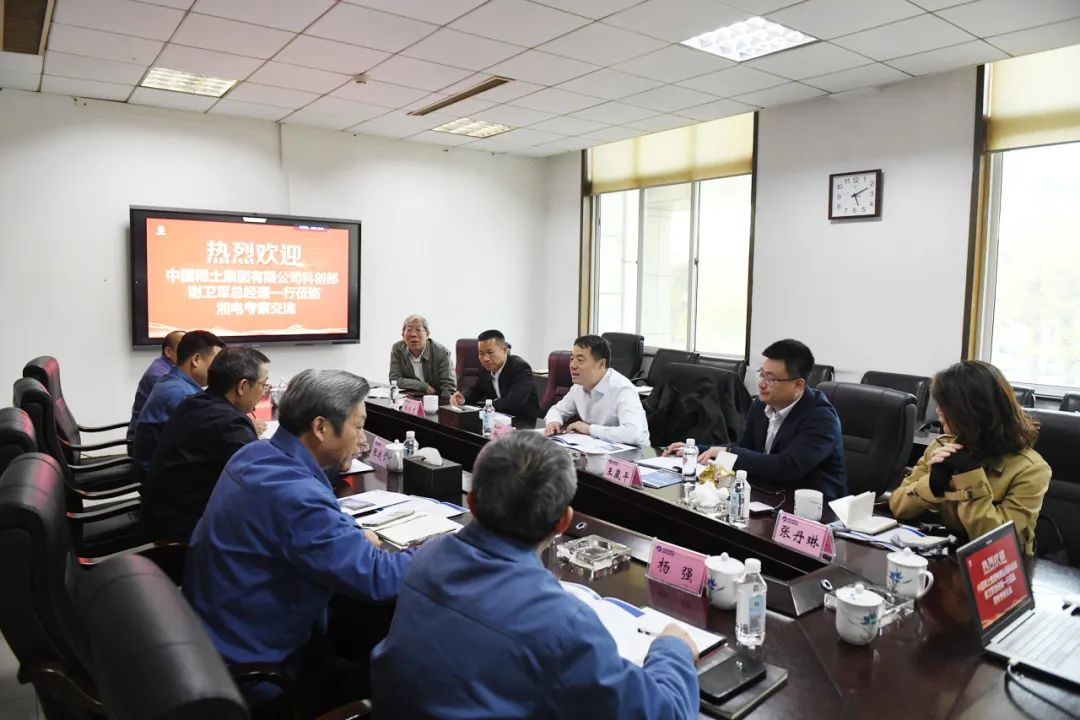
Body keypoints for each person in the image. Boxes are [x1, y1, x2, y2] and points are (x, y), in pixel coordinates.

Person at [371, 431, 699, 719]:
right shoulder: (561, 623)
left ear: (471, 503)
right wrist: (674, 649)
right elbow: (665, 713)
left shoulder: (428, 556)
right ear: (563, 522)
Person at [183, 369, 413, 718]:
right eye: (358, 426)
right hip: (263, 672)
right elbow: (379, 578)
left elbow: (304, 525)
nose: (363, 440)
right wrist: (445, 549)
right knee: (400, 671)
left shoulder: (255, 455)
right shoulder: (297, 494)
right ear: (321, 428)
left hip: (219, 638)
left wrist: (349, 532)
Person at [889, 361, 1050, 555]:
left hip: (998, 565)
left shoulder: (1031, 469)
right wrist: (931, 485)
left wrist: (970, 480)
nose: (938, 411)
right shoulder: (942, 446)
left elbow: (997, 542)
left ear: (972, 412)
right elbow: (897, 506)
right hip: (945, 553)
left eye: (946, 406)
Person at [663, 339, 847, 500]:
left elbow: (787, 467)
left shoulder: (821, 419)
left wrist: (726, 452)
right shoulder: (760, 405)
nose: (761, 383)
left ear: (798, 385)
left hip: (815, 510)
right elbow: (745, 447)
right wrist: (696, 450)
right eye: (762, 373)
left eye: (771, 379)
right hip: (768, 494)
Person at [140, 347, 270, 542]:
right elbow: (259, 485)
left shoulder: (195, 402)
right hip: (185, 534)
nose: (264, 391)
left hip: (161, 516)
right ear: (242, 386)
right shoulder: (230, 424)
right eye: (264, 384)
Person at [131, 330, 225, 473]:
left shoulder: (175, 380)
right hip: (161, 475)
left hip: (160, 465)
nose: (218, 370)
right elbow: (211, 438)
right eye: (215, 363)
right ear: (196, 359)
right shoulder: (181, 393)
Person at [543, 335, 650, 447]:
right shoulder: (579, 386)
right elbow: (558, 410)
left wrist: (589, 429)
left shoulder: (622, 389)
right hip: (597, 448)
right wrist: (553, 422)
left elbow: (634, 434)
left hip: (633, 453)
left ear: (601, 364)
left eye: (580, 360)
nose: (572, 365)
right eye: (571, 359)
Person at [449, 329, 540, 421]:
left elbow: (514, 401)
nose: (485, 359)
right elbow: (476, 390)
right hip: (496, 419)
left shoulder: (520, 368)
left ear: (504, 350)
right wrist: (463, 397)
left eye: (490, 352)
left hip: (522, 422)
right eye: (481, 353)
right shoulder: (486, 369)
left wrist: (488, 405)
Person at [126, 330, 185, 442]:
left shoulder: (169, 369)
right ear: (168, 352)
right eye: (184, 350)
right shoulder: (161, 376)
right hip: (144, 443)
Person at [388, 314, 456, 397]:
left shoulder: (442, 353)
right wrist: (423, 386)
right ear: (403, 335)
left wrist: (440, 403)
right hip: (410, 399)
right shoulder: (398, 349)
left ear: (427, 334)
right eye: (409, 330)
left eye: (418, 330)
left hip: (435, 400)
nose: (413, 334)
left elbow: (449, 388)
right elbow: (394, 380)